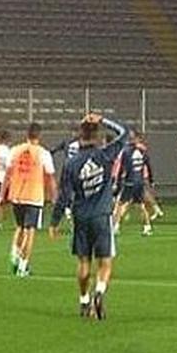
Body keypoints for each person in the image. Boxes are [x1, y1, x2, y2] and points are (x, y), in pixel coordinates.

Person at [49, 114, 128, 320]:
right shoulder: (105, 155)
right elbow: (125, 133)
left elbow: (64, 196)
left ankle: (84, 300)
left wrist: (55, 221)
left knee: (84, 261)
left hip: (80, 217)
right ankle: (99, 292)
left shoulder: (71, 163)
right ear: (97, 137)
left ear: (79, 136)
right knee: (105, 260)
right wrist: (103, 119)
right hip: (102, 215)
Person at [0, 122, 57, 277]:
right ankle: (23, 266)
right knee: (30, 231)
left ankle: (14, 254)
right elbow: (50, 177)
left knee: (19, 227)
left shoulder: (15, 151)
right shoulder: (43, 153)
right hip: (34, 196)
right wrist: (54, 197)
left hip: (16, 195)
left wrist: (1, 196)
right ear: (39, 135)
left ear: (27, 134)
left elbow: (7, 175)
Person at [113, 130, 153, 237]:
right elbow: (148, 166)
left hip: (130, 182)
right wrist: (151, 180)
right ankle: (147, 227)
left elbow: (122, 168)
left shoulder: (126, 151)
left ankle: (116, 226)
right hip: (139, 182)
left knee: (121, 204)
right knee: (140, 205)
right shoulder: (142, 151)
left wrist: (117, 182)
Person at [135, 133, 164, 222]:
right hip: (141, 174)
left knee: (144, 194)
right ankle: (156, 210)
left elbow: (146, 163)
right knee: (144, 194)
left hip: (140, 174)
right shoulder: (141, 149)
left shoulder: (139, 149)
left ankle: (156, 210)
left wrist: (150, 178)